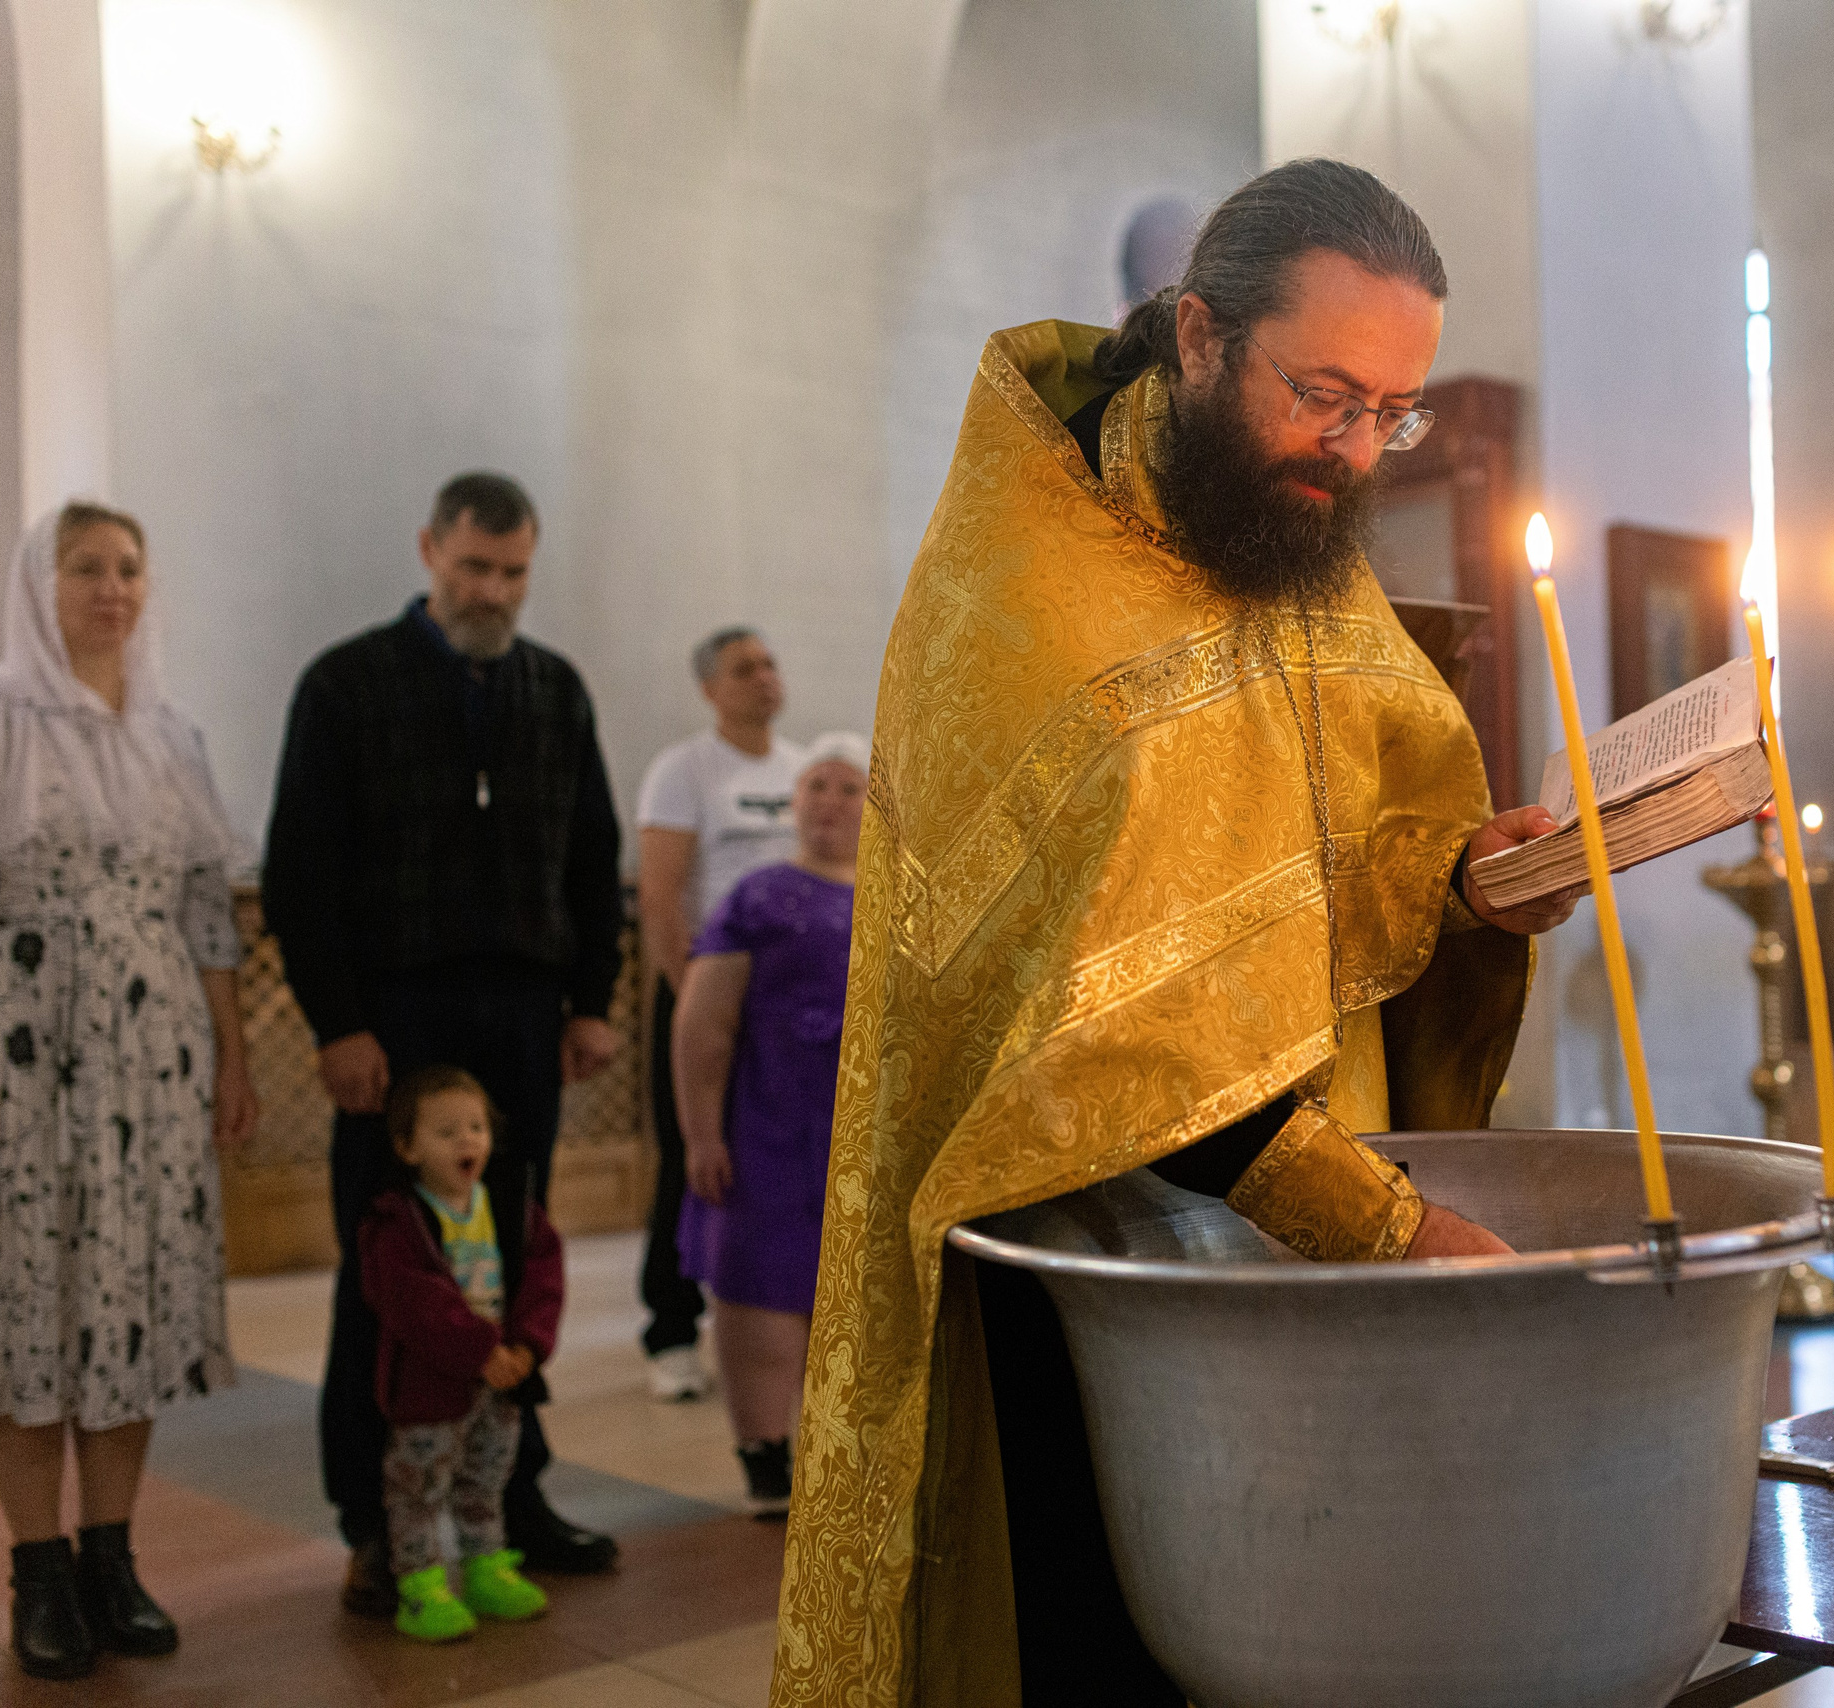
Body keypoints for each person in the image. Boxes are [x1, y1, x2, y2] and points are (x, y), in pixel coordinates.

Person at [774, 159, 1585, 1707]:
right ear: (1202, 335)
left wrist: (1464, 885)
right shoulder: (1024, 595)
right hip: (1080, 1249)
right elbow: (1095, 1026)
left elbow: (1310, 848)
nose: (1354, 453)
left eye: (1390, 414)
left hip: (1296, 1195)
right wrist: (1390, 1227)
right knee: (1112, 1651)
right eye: (1326, 395)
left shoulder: (1281, 528)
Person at [262, 470, 626, 1618]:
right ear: (428, 549)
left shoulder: (556, 690)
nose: (493, 591)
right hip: (397, 1022)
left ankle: (507, 1500)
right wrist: (339, 1026)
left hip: (520, 1019)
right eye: (473, 568)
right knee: (392, 1267)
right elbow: (298, 874)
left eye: (513, 572)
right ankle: (378, 1522)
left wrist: (589, 1001)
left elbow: (590, 854)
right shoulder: (346, 684)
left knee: (512, 1258)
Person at [0, 503, 260, 1680]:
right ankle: (37, 1572)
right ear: (42, 583)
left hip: (157, 1056)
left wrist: (233, 1056)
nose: (112, 588)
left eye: (130, 567)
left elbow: (205, 914)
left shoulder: (172, 735)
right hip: (19, 1051)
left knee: (127, 1299)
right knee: (30, 1300)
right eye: (86, 566)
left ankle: (111, 1559)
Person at [670, 734, 866, 1518]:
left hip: (859, 1131)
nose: (828, 801)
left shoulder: (903, 895)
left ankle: (839, 1455)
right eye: (815, 785)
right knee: (763, 1281)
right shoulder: (757, 896)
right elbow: (703, 1024)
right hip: (769, 1121)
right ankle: (764, 1454)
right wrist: (700, 1131)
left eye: (848, 787)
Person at [632, 627, 809, 1402]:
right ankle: (671, 1332)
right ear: (710, 689)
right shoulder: (684, 771)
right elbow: (663, 896)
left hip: (794, 1006)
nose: (764, 679)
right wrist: (695, 1003)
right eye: (745, 670)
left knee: (789, 1164)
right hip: (711, 993)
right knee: (690, 1161)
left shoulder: (807, 771)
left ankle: (795, 1326)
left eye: (769, 664)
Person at [360, 1066, 562, 1643]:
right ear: (406, 1147)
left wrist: (526, 1345)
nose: (467, 1140)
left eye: (476, 1127)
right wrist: (480, 1349)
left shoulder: (508, 1207)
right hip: (430, 1387)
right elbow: (412, 1301)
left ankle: (484, 1566)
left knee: (486, 1475)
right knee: (419, 1484)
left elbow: (543, 1275)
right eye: (446, 1132)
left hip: (501, 1381)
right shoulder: (398, 1223)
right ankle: (420, 1586)